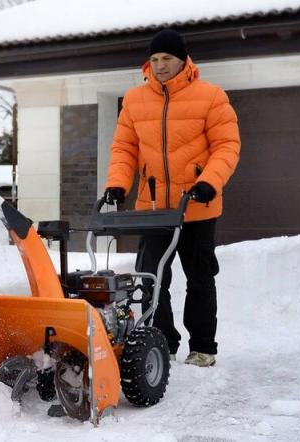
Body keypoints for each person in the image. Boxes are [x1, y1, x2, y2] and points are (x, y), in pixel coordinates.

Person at [102, 29, 240, 367]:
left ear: (183, 61)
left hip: (197, 206)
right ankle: (161, 342)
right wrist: (118, 183)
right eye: (155, 59)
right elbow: (124, 148)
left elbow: (227, 145)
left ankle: (203, 347)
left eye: (167, 59)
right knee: (151, 280)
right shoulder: (135, 100)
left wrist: (209, 181)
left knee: (200, 279)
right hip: (152, 209)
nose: (160, 65)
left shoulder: (210, 96)